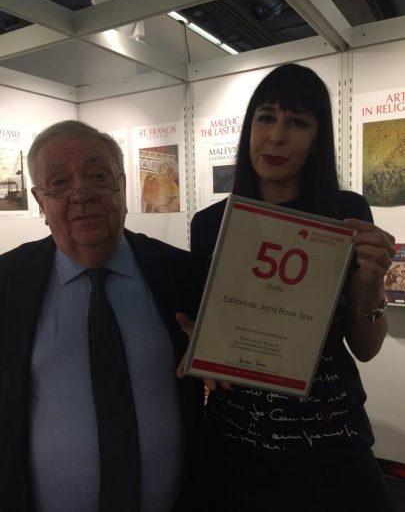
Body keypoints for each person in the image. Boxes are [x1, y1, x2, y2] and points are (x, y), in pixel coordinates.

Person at [187, 64, 396, 511]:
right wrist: (196, 342)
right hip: (237, 442)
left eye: (298, 122)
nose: (277, 136)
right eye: (266, 117)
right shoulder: (210, 225)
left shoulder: (345, 215)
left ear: (317, 138)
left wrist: (371, 283)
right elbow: (206, 330)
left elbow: (365, 348)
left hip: (330, 442)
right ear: (250, 128)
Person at [0, 120, 204, 512]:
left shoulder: (180, 274)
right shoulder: (8, 283)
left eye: (98, 176)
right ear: (40, 201)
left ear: (123, 188)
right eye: (59, 182)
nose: (81, 195)